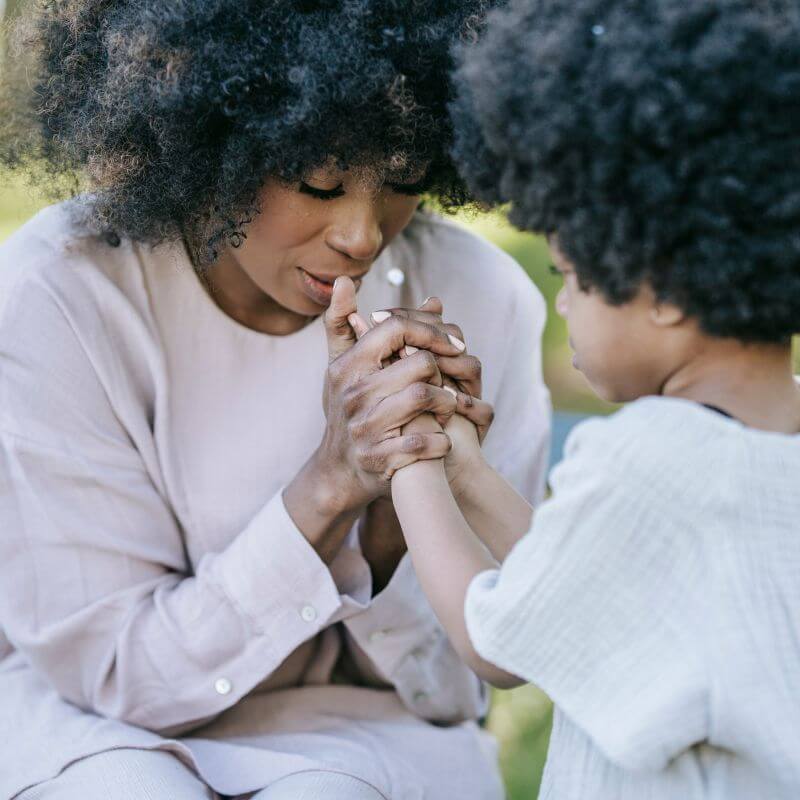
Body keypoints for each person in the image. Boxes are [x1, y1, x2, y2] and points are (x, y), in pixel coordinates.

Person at [0, 2, 551, 798]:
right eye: (318, 181)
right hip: (94, 729)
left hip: (366, 730)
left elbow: (464, 682)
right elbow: (114, 672)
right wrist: (331, 484)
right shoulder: (60, 296)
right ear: (211, 140)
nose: (363, 234)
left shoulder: (479, 298)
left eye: (400, 179)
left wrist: (400, 525)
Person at [386, 1, 800, 798]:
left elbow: (497, 637)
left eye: (572, 275)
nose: (565, 303)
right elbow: (585, 580)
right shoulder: (769, 441)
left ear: (666, 294)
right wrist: (470, 471)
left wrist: (409, 457)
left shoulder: (652, 453)